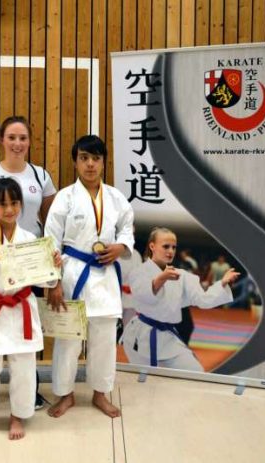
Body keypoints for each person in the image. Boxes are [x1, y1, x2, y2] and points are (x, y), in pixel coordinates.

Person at [0, 115, 57, 409]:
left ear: (30, 141)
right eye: (12, 137)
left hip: (30, 262)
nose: (17, 143)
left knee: (26, 326)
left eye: (23, 138)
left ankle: (29, 392)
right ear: (2, 140)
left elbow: (52, 224)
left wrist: (50, 264)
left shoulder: (41, 176)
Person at [0, 178, 61, 442]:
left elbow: (46, 281)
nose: (9, 209)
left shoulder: (31, 240)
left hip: (20, 309)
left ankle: (17, 415)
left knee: (24, 369)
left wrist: (53, 267)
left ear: (21, 205)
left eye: (14, 203)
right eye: (2, 203)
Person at [45, 135, 134, 419]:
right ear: (75, 162)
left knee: (104, 339)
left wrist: (121, 246)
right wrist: (54, 282)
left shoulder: (116, 197)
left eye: (96, 158)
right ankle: (65, 394)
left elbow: (127, 228)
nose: (90, 164)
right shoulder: (65, 198)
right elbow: (50, 242)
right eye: (84, 158)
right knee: (68, 340)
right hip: (73, 275)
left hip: (106, 276)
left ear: (104, 162)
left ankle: (100, 393)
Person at [120, 227, 240, 371]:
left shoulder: (181, 276)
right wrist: (161, 278)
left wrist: (222, 283)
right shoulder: (139, 272)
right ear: (152, 246)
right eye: (166, 246)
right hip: (141, 336)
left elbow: (203, 299)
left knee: (196, 371)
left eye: (173, 247)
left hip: (168, 339)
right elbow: (145, 296)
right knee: (146, 381)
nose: (170, 251)